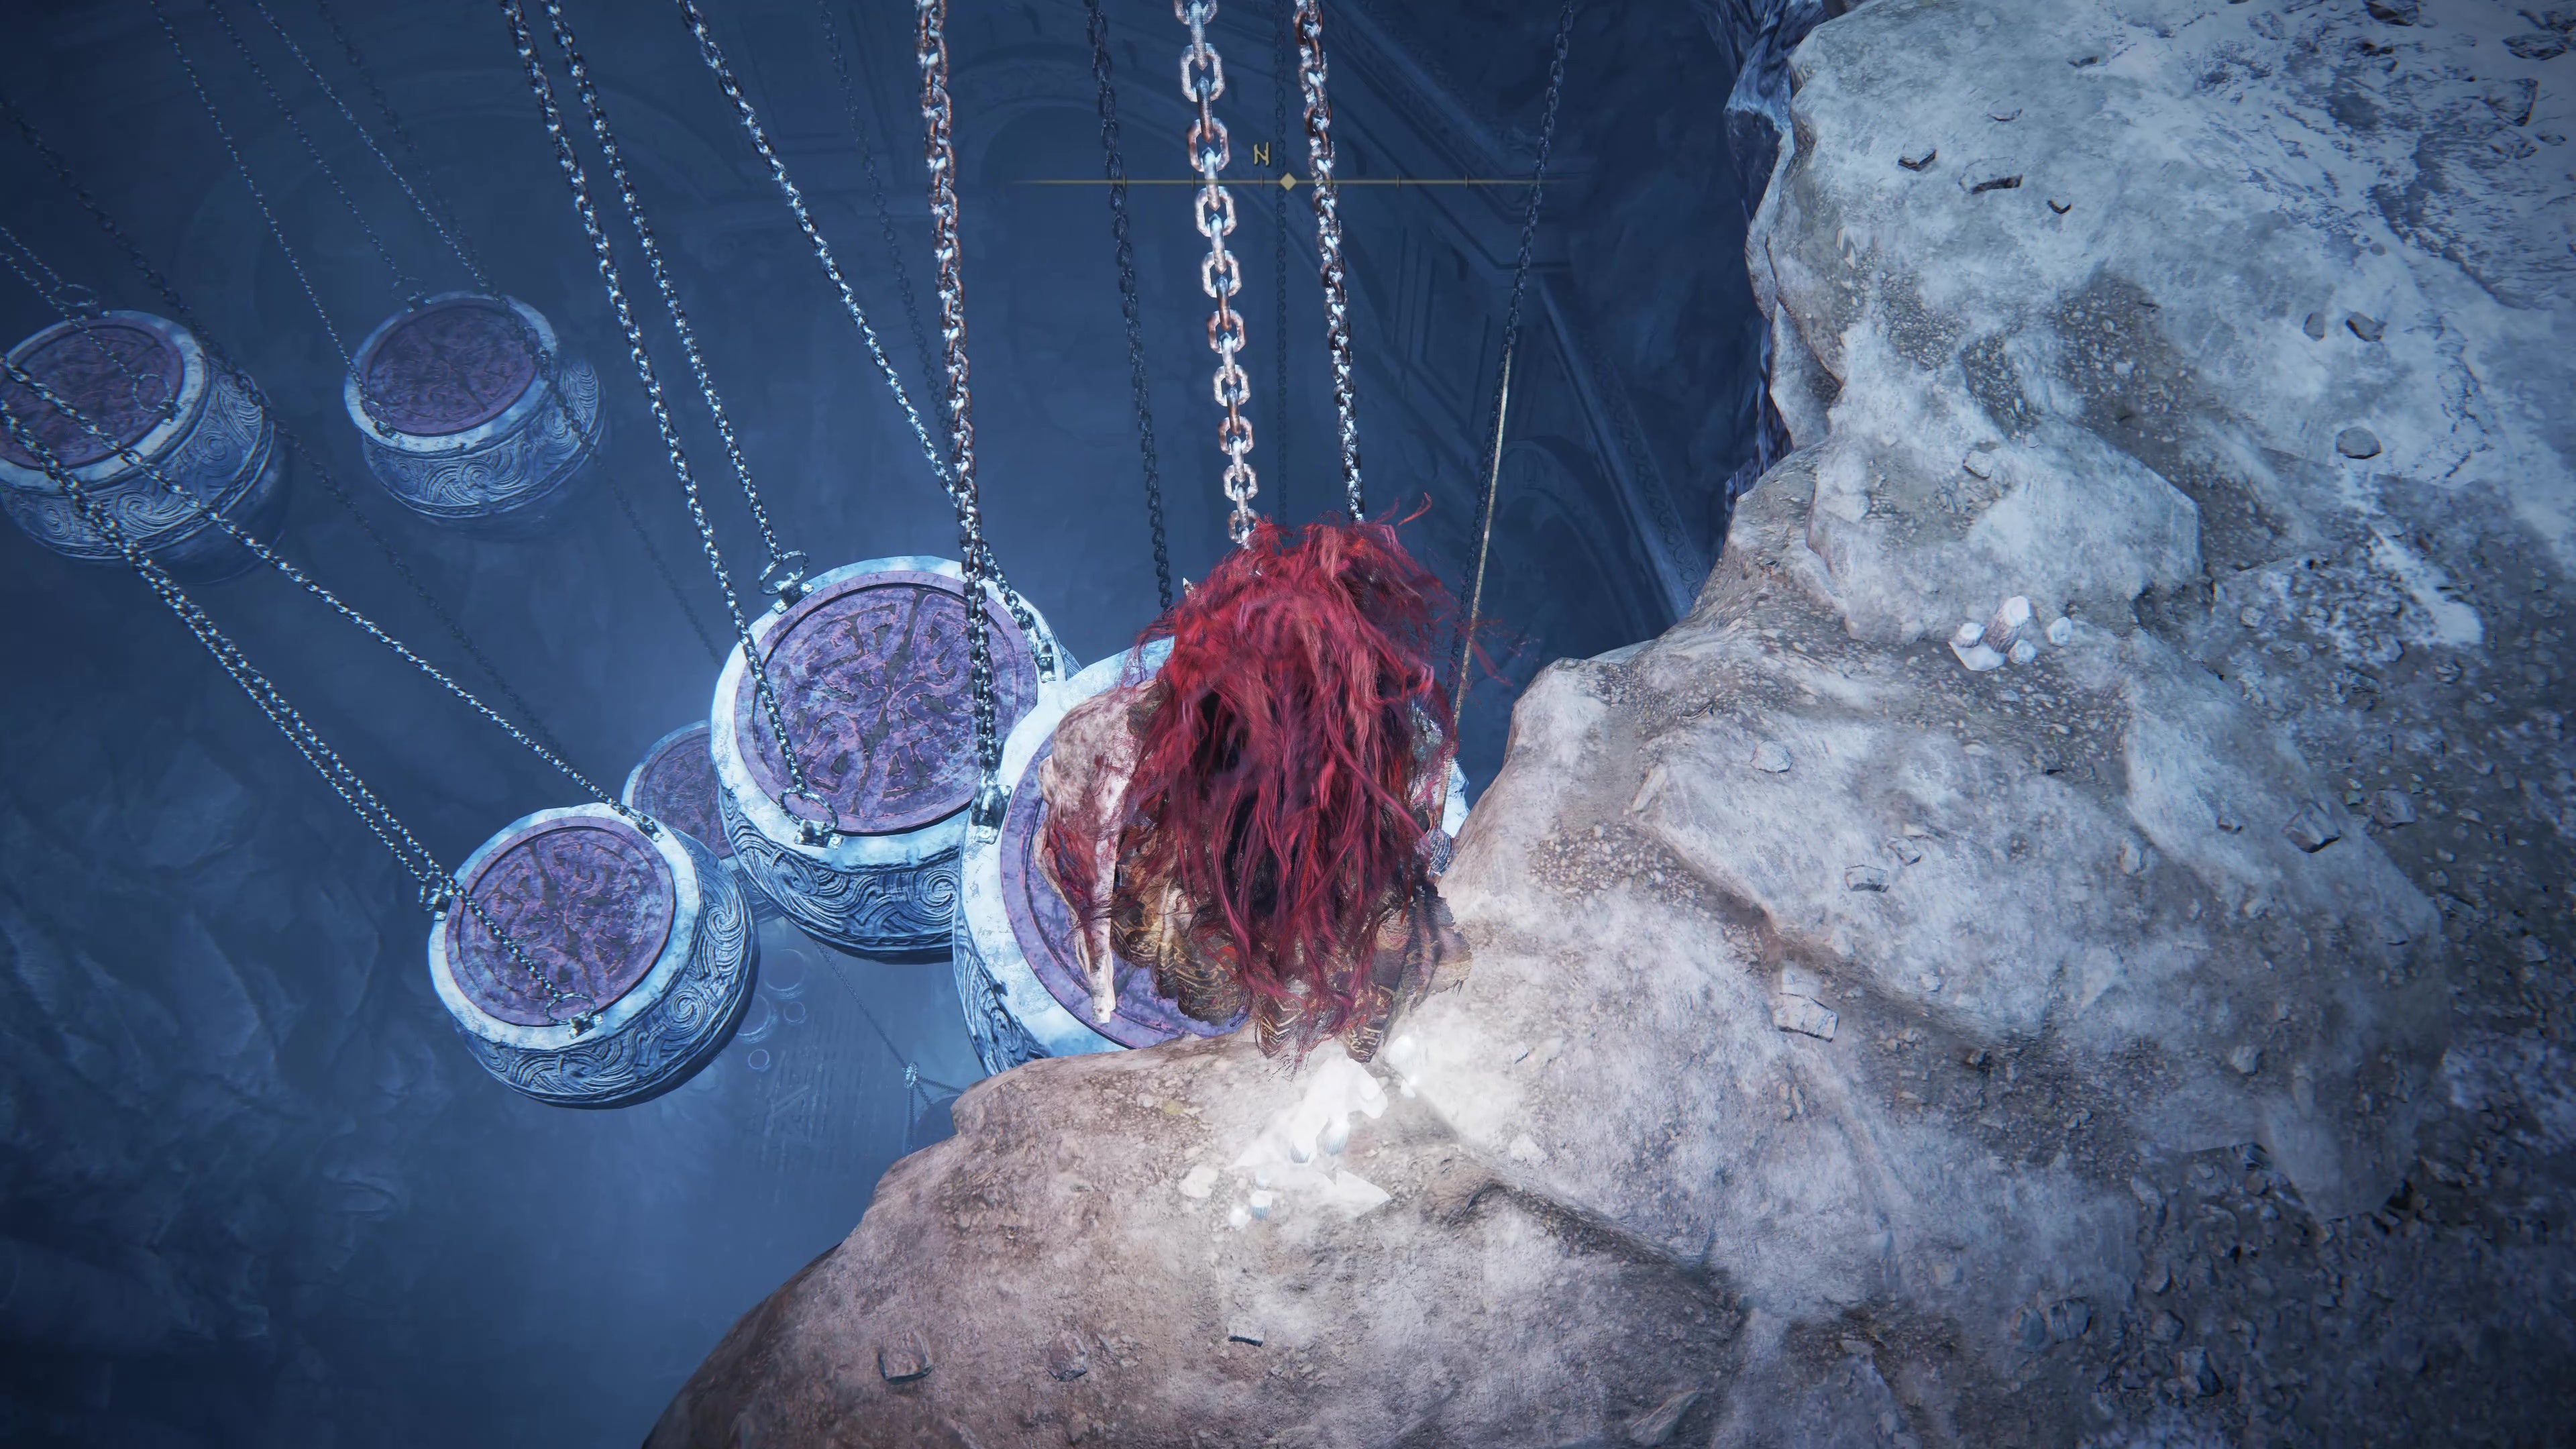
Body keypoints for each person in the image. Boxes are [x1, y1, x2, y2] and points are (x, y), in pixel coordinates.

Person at [1039, 517, 1470, 1062]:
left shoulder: (1368, 779)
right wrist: (1101, 969)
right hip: (1205, 856)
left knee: (1310, 972)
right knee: (1201, 971)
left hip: (1299, 862)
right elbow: (1085, 858)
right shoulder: (1120, 749)